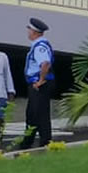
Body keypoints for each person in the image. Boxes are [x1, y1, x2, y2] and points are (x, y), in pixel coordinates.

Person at [18, 18, 55, 149]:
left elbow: (45, 63)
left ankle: (44, 142)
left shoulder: (39, 47)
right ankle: (28, 141)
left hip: (38, 85)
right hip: (37, 84)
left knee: (39, 114)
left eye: (29, 29)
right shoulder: (38, 45)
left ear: (34, 32)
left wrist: (40, 80)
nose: (28, 32)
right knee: (33, 113)